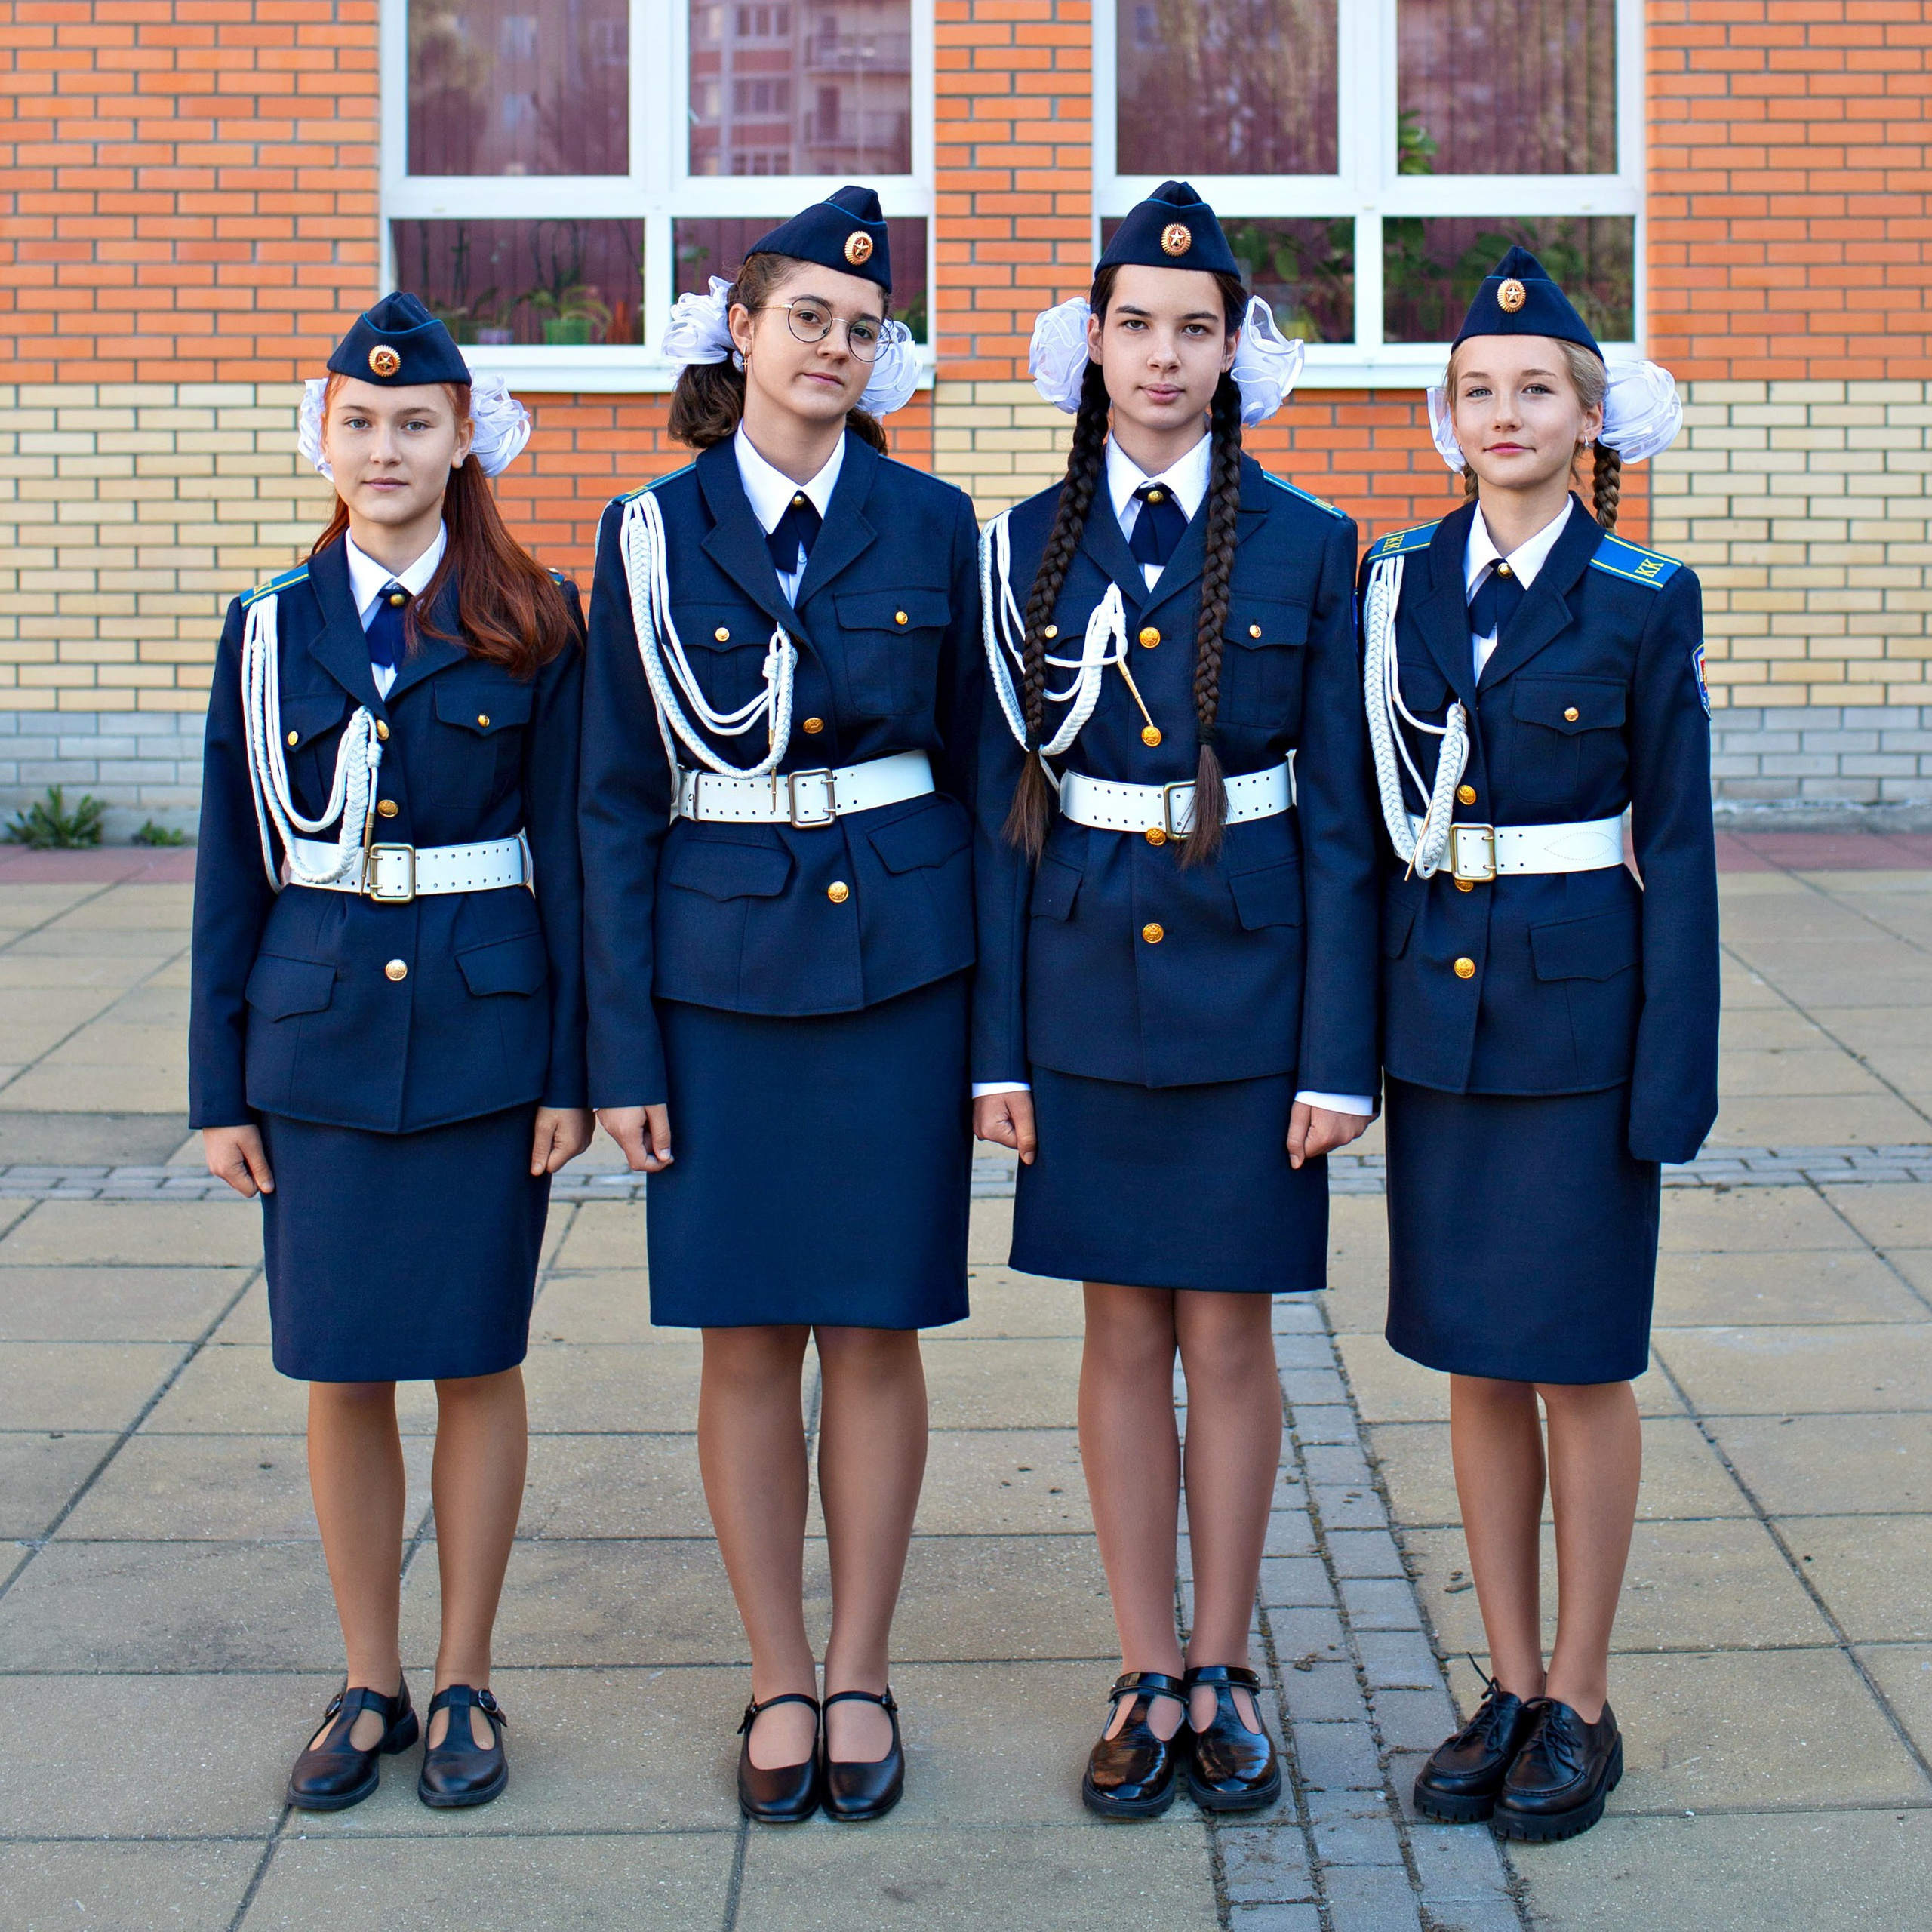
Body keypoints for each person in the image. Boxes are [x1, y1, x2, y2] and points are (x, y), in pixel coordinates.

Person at [972, 182, 1380, 1817]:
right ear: (1088, 344)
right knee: (1117, 1325)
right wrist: (989, 1047)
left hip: (1253, 980)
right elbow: (993, 804)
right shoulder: (1018, 544)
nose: (1159, 354)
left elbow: (1347, 822)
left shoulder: (1308, 543)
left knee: (1228, 1330)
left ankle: (1220, 1662)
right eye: (1131, 324)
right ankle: (1140, 1663)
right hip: (1076, 977)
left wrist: (1337, 1054)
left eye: (1191, 329)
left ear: (1232, 352)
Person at [579, 188, 982, 1825]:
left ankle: (864, 1665)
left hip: (898, 968)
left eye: (860, 326)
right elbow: (608, 799)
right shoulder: (646, 532)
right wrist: (617, 1047)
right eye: (805, 314)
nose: (832, 345)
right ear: (735, 331)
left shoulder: (935, 523)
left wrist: (994, 1037)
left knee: (875, 1328)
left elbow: (981, 775)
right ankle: (773, 1670)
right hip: (717, 980)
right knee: (745, 1334)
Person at [189, 293, 590, 1813]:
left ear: (465, 437)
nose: (384, 446)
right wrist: (215, 1084)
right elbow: (236, 866)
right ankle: (371, 1678)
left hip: (486, 1037)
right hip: (318, 1040)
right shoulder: (267, 627)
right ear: (324, 437)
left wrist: (569, 1067)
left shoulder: (534, 618)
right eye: (358, 421)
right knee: (342, 1364)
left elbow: (571, 853)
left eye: (415, 420)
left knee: (477, 1356)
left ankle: (470, 1671)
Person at [1358, 247, 1718, 1842]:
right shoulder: (1396, 586)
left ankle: (1579, 1691)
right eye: (1474, 389)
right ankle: (1499, 1679)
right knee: (1470, 1356)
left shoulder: (1638, 600)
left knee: (1574, 1358)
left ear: (1586, 419)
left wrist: (1672, 1069)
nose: (1500, 411)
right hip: (1441, 1021)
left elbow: (1683, 848)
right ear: (1447, 419)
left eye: (1533, 389)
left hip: (1581, 1025)